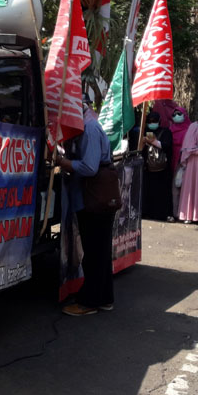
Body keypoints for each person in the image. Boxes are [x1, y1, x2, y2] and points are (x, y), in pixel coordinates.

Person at [57, 95, 116, 316]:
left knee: (93, 251)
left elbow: (90, 167)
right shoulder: (85, 125)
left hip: (94, 198)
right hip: (93, 197)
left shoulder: (89, 128)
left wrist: (65, 163)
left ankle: (89, 301)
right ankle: (104, 298)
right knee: (99, 251)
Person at [140, 109, 175, 221]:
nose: (152, 123)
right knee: (148, 191)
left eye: (155, 120)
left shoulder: (166, 132)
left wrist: (154, 142)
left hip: (162, 168)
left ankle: (163, 213)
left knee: (162, 192)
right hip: (148, 168)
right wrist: (143, 142)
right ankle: (148, 212)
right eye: (150, 121)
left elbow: (168, 146)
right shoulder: (143, 131)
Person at [169, 105, 191, 216]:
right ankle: (175, 213)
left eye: (179, 114)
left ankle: (185, 213)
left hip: (185, 160)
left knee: (185, 188)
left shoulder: (190, 129)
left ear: (185, 115)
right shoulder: (170, 129)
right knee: (174, 187)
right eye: (174, 114)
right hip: (173, 159)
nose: (176, 116)